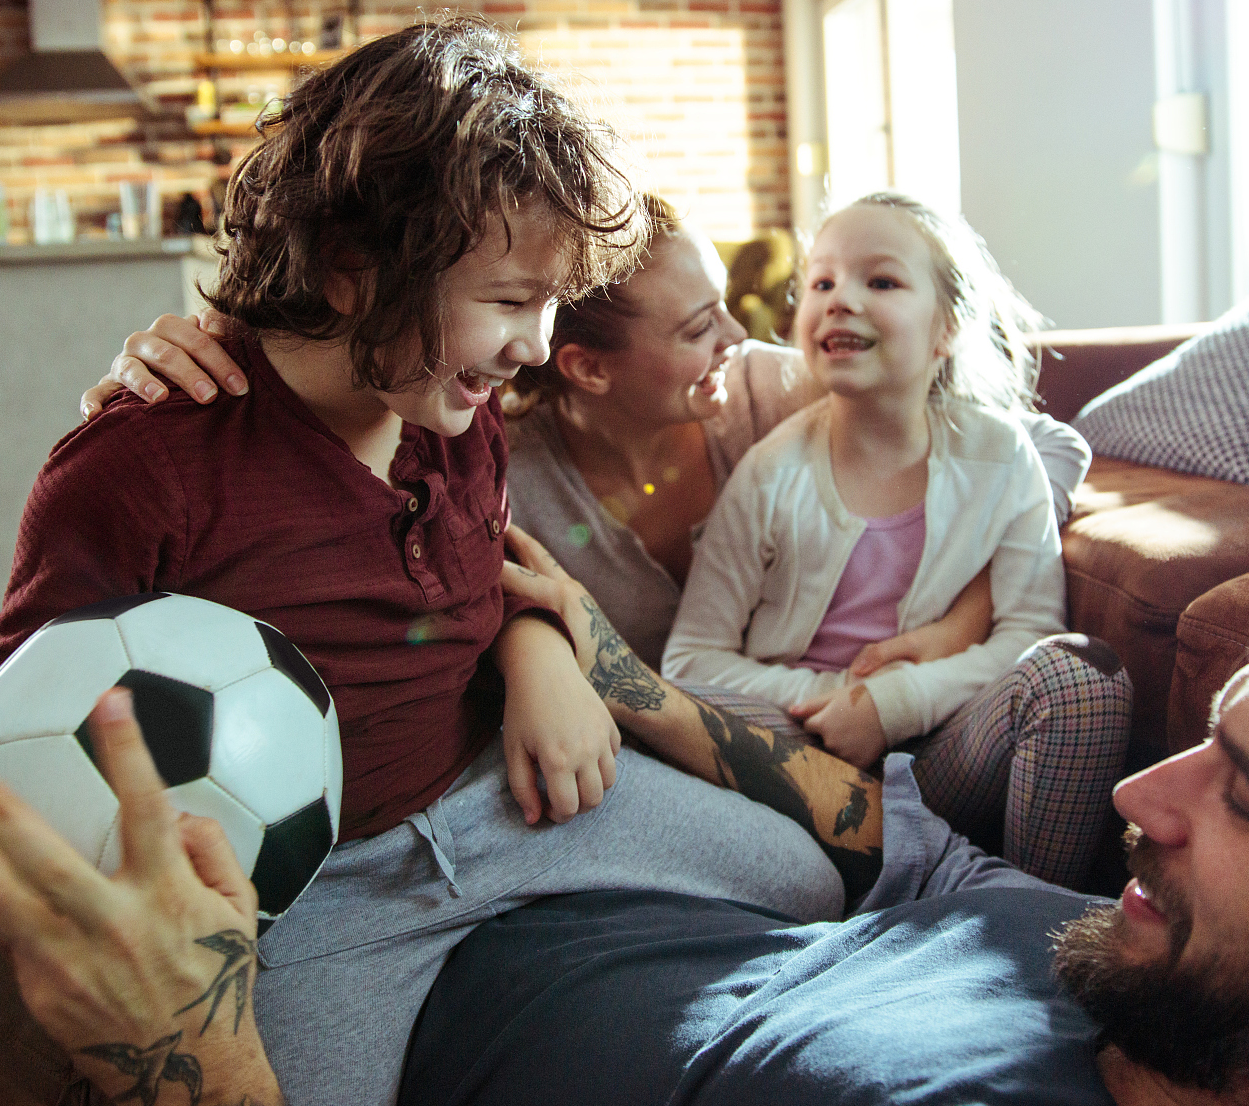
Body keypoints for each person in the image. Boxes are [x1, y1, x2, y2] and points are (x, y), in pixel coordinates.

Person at [0, 17, 845, 1106]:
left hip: (495, 805)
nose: (539, 345)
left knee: (802, 874)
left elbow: (479, 578)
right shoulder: (148, 460)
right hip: (314, 893)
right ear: (355, 270)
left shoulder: (457, 414)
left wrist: (538, 651)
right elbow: (2, 687)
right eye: (511, 302)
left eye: (551, 304)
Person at [0, 492, 1249, 1106]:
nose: (1143, 792)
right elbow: (883, 835)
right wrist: (610, 664)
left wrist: (175, 1055)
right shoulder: (1166, 973)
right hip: (581, 854)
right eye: (1208, 740)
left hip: (306, 1007)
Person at [84, 193, 1130, 888]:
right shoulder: (490, 452)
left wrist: (957, 625)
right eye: (699, 327)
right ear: (580, 365)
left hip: (833, 726)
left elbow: (1029, 446)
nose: (738, 338)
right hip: (677, 751)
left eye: (729, 310)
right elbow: (454, 593)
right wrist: (202, 362)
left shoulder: (769, 388)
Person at [660, 194, 1074, 772]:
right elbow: (690, 660)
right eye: (822, 283)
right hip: (801, 742)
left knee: (1079, 680)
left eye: (881, 282)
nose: (840, 300)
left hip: (945, 734)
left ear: (949, 327)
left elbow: (1031, 631)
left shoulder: (1001, 456)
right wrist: (840, 700)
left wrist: (898, 703)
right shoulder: (769, 473)